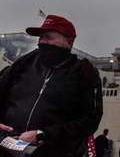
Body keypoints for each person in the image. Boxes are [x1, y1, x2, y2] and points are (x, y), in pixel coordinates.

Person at [0, 15, 103, 157]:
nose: (43, 42)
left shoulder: (84, 72)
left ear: (68, 41)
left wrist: (43, 135)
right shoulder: (25, 63)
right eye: (41, 37)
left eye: (49, 37)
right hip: (7, 148)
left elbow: (90, 120)